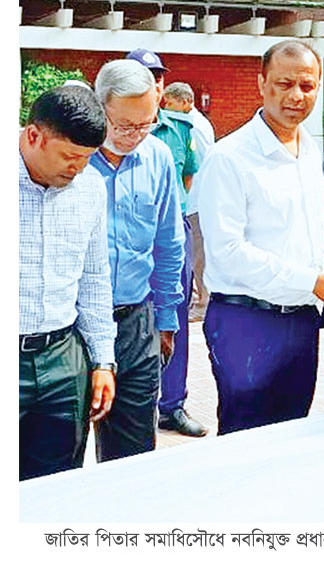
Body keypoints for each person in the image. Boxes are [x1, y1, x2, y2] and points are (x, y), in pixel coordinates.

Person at [197, 40, 324, 435]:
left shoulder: (309, 150)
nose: (296, 96)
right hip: (246, 322)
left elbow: (279, 220)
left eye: (307, 86)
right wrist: (311, 280)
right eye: (284, 84)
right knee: (245, 440)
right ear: (262, 84)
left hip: (301, 322)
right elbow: (229, 251)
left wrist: (323, 232)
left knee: (290, 439)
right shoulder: (229, 158)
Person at [90, 59, 185, 461]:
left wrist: (166, 319)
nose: (134, 136)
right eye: (124, 126)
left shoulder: (158, 156)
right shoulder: (73, 158)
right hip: (74, 325)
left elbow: (169, 243)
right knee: (56, 456)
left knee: (133, 456)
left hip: (135, 321)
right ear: (100, 110)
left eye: (146, 124)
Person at [19, 85, 116, 480]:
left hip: (63, 360)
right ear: (33, 136)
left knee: (58, 484)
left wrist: (102, 361)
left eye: (87, 159)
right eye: (69, 157)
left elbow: (94, 277)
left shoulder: (90, 187)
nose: (77, 169)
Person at [127, 51, 207, 438]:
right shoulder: (111, 130)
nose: (154, 84)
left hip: (173, 235)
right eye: (146, 76)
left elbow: (187, 180)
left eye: (158, 77)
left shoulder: (181, 130)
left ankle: (172, 405)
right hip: (130, 240)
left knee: (172, 318)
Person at [162, 82, 214, 321]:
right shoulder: (189, 123)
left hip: (196, 201)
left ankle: (203, 301)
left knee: (198, 253)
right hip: (193, 200)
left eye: (169, 103)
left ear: (185, 102)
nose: (166, 107)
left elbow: (199, 164)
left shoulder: (192, 126)